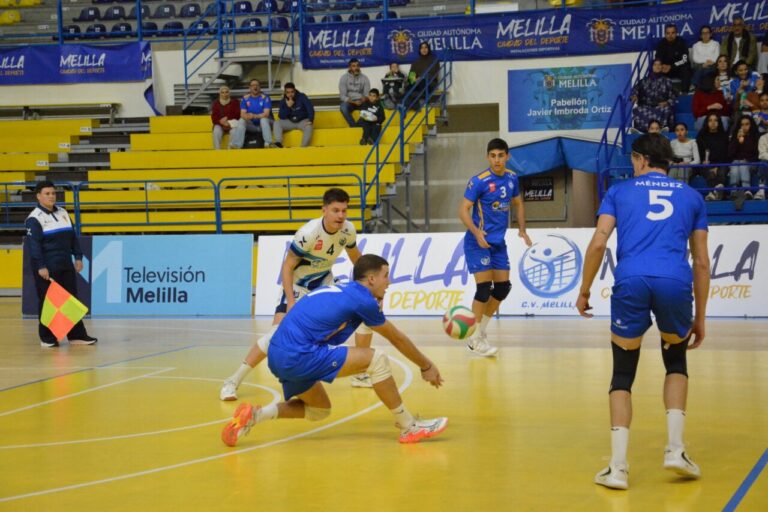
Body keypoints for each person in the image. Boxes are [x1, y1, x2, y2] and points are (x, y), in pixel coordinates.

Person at [576, 133, 710, 490]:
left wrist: (585, 290)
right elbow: (701, 263)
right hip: (674, 282)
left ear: (640, 159)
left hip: (631, 280)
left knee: (622, 373)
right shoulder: (693, 197)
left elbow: (599, 243)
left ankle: (618, 468)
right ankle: (676, 450)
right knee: (676, 361)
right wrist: (699, 317)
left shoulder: (619, 191)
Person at [221, 254, 448, 446]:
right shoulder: (362, 300)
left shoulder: (343, 290)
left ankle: (255, 415)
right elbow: (397, 338)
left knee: (319, 410)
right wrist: (426, 365)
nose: (388, 282)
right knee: (376, 360)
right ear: (371, 279)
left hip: (277, 354)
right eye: (385, 276)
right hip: (299, 353)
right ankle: (409, 426)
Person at [219, 188, 375, 401]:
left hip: (323, 285)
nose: (340, 216)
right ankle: (232, 381)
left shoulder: (348, 230)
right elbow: (287, 266)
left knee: (363, 313)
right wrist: (291, 301)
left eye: (344, 211)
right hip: (298, 286)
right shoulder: (308, 233)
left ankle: (360, 373)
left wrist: (369, 283)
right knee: (276, 336)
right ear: (324, 210)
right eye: (335, 210)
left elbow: (357, 258)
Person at [458, 138, 532, 357]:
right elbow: (463, 210)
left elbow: (518, 203)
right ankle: (474, 337)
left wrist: (522, 229)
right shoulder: (479, 181)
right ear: (487, 157)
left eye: (500, 155)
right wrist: (476, 232)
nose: (497, 160)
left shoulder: (512, 178)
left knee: (502, 288)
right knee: (483, 289)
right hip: (477, 242)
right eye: (493, 156)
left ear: (507, 156)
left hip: (498, 243)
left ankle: (479, 332)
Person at [25, 180, 98, 348]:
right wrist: (41, 266)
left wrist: (78, 257)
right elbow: (34, 246)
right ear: (38, 196)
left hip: (65, 265)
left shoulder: (63, 213)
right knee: (48, 303)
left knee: (71, 301)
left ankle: (77, 335)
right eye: (47, 194)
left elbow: (72, 237)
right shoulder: (34, 219)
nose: (51, 196)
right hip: (47, 268)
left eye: (53, 193)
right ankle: (47, 337)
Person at [631, 59, 677, 132]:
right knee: (638, 110)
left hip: (661, 105)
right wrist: (634, 95)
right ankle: (642, 131)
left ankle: (662, 130)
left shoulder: (667, 81)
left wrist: (667, 102)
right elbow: (635, 89)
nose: (657, 66)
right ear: (651, 67)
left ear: (662, 67)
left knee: (667, 109)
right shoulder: (644, 81)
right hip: (647, 106)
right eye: (655, 65)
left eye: (659, 64)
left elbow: (673, 96)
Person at [695, 113, 731, 200]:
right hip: (706, 163)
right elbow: (699, 153)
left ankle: (713, 193)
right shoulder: (701, 136)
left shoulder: (724, 136)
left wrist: (716, 166)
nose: (713, 123)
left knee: (721, 172)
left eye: (715, 120)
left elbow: (725, 154)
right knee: (710, 173)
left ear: (719, 122)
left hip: (721, 163)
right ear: (707, 123)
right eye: (710, 120)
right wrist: (705, 162)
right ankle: (717, 192)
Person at [231, 79, 275, 149]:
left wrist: (254, 116)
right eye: (253, 85)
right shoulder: (245, 98)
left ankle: (268, 143)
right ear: (250, 87)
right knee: (242, 120)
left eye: (257, 85)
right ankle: (237, 145)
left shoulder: (265, 97)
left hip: (265, 125)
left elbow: (266, 114)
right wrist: (247, 116)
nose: (255, 87)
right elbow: (242, 114)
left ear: (260, 87)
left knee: (263, 120)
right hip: (252, 126)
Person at [729, 114, 759, 204]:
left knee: (742, 163)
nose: (744, 127)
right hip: (737, 163)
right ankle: (734, 191)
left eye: (747, 124)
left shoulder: (755, 137)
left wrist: (746, 159)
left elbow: (756, 154)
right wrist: (737, 141)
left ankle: (746, 189)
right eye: (742, 124)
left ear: (751, 125)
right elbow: (730, 154)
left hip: (752, 163)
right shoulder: (735, 137)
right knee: (735, 163)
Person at [273, 82, 314, 148]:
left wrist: (310, 119)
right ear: (285, 93)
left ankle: (303, 147)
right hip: (290, 122)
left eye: (292, 92)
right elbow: (281, 116)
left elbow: (310, 108)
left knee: (309, 126)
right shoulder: (283, 100)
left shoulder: (302, 96)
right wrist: (288, 107)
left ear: (295, 91)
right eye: (288, 92)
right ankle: (278, 143)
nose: (290, 94)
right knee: (277, 123)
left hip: (302, 121)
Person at [655, 24, 692, 92]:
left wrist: (671, 66)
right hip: (666, 69)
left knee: (686, 69)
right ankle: (659, 94)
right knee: (656, 69)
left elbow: (684, 60)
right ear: (665, 34)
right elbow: (658, 58)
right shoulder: (661, 44)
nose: (670, 35)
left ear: (676, 33)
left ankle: (684, 93)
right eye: (668, 33)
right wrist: (661, 66)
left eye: (673, 33)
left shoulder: (682, 42)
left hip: (679, 69)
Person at [406, 41, 440, 108]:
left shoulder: (434, 60)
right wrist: (414, 80)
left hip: (430, 82)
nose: (424, 49)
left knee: (422, 83)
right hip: (418, 83)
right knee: (408, 87)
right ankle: (412, 104)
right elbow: (411, 77)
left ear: (428, 49)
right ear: (420, 50)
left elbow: (434, 74)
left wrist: (421, 78)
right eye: (422, 48)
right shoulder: (416, 62)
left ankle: (419, 102)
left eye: (425, 47)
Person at [339, 58, 371, 128]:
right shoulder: (344, 78)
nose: (356, 68)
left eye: (357, 66)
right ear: (349, 68)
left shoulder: (365, 78)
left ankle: (358, 125)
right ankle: (354, 126)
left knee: (370, 107)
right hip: (349, 102)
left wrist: (361, 100)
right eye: (353, 66)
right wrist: (353, 102)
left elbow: (367, 94)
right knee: (343, 107)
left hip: (361, 102)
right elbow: (342, 96)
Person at [211, 85, 241, 150]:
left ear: (229, 93)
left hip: (231, 124)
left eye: (226, 92)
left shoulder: (235, 102)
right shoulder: (216, 103)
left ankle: (230, 151)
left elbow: (237, 114)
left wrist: (227, 120)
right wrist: (220, 121)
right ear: (220, 94)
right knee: (216, 131)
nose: (225, 94)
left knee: (234, 132)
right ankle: (217, 151)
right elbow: (214, 117)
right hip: (220, 124)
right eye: (222, 92)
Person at [754, 131, 768, 199]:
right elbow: (762, 154)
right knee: (763, 164)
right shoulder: (763, 138)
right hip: (766, 161)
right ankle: (761, 191)